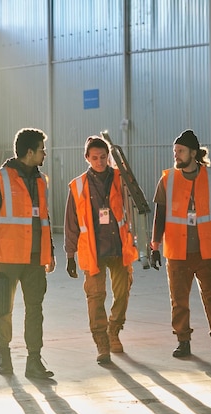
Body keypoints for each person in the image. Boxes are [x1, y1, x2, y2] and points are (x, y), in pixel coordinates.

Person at [150, 129, 211, 360]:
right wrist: (154, 247)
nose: (176, 155)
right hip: (177, 252)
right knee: (179, 301)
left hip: (206, 251)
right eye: (175, 151)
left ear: (193, 153)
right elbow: (159, 215)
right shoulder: (167, 179)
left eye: (180, 151)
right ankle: (183, 341)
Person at [0, 128, 57, 379]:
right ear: (29, 152)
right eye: (41, 149)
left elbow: (44, 217)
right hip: (8, 256)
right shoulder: (0, 178)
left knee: (35, 309)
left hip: (35, 258)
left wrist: (51, 251)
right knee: (4, 309)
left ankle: (34, 361)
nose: (45, 153)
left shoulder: (41, 180)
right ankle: (4, 356)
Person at [64, 136, 139, 364]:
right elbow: (71, 222)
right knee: (95, 298)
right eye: (94, 158)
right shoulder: (78, 186)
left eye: (103, 157)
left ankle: (113, 330)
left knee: (123, 292)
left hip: (119, 247)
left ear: (109, 157)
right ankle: (102, 344)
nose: (99, 162)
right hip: (93, 251)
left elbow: (137, 205)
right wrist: (70, 255)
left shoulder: (121, 178)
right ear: (87, 158)